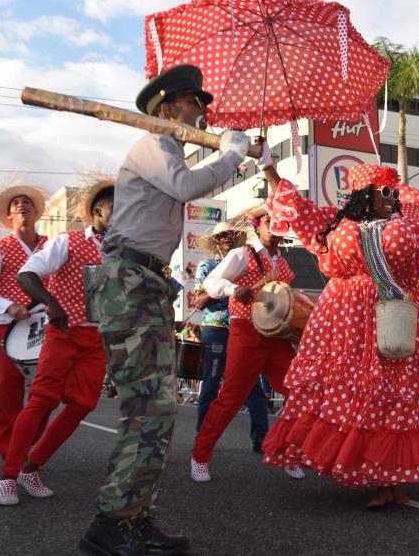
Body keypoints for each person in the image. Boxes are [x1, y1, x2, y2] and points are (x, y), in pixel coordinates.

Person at [80, 64, 249, 556]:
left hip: (147, 279)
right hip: (129, 279)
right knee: (147, 407)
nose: (204, 114)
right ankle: (112, 524)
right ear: (170, 107)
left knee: (158, 409)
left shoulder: (168, 147)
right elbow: (185, 187)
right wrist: (233, 155)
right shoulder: (154, 142)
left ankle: (135, 517)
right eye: (198, 105)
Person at [259, 160, 419, 508]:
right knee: (361, 393)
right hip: (348, 320)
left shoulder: (408, 226)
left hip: (402, 311)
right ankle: (376, 476)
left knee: (398, 394)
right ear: (365, 194)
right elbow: (296, 210)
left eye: (394, 192)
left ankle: (394, 479)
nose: (391, 198)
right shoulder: (335, 222)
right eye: (385, 192)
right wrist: (268, 167)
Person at [0, 180, 114, 506]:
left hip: (96, 338)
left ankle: (31, 466)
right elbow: (26, 275)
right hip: (63, 332)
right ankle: (7, 476)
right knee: (42, 400)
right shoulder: (67, 242)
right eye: (116, 206)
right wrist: (51, 303)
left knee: (82, 405)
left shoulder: (122, 251)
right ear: (98, 210)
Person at [190, 207, 300, 482]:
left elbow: (286, 300)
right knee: (230, 399)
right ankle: (200, 455)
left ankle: (288, 452)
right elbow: (212, 282)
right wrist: (232, 290)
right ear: (257, 225)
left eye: (278, 220)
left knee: (299, 392)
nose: (274, 224)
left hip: (276, 335)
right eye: (267, 220)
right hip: (245, 331)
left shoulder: (284, 266)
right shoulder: (241, 255)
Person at [0, 185, 48, 459]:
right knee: (6, 392)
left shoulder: (51, 245)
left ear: (36, 212)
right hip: (7, 326)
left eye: (27, 201)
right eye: (16, 203)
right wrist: (9, 306)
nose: (21, 205)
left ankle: (28, 446)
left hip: (46, 328)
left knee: (47, 393)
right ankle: (11, 457)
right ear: (9, 215)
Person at [192, 221, 271, 452]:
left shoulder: (246, 262)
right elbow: (198, 301)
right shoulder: (207, 265)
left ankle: (261, 438)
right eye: (223, 236)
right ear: (216, 241)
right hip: (216, 328)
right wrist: (227, 289)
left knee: (252, 385)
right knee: (212, 382)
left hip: (245, 327)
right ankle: (202, 438)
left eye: (231, 235)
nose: (227, 238)